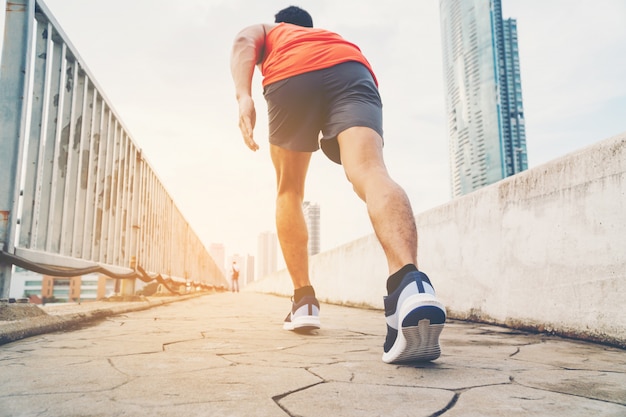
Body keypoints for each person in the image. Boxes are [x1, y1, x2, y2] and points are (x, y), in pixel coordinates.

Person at [230, 6, 446, 363]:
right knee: (371, 171)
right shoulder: (332, 37)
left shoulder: (272, 31)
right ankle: (410, 285)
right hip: (352, 69)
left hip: (291, 73)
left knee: (289, 190)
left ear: (282, 23)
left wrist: (243, 95)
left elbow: (242, 39)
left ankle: (304, 302)